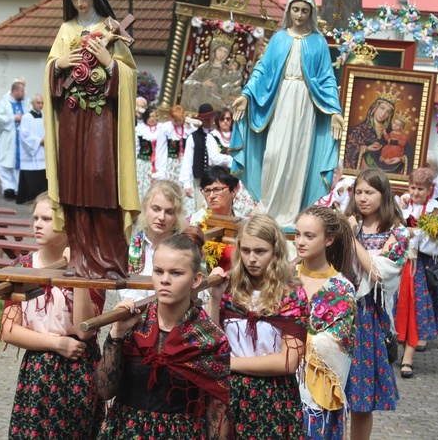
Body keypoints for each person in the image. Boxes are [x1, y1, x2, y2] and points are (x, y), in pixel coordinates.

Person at [42, 0, 139, 280]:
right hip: (71, 119)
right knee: (74, 187)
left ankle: (110, 261)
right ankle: (80, 259)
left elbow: (129, 74)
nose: (81, 3)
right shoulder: (65, 29)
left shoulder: (110, 28)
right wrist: (59, 65)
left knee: (101, 184)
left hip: (101, 120)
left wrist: (110, 65)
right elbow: (50, 71)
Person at [96, 227, 231, 439]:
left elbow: (217, 412)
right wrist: (117, 334)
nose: (164, 280)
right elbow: (105, 391)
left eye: (176, 273)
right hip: (124, 432)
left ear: (195, 280)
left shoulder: (209, 338)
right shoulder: (133, 324)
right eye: (158, 271)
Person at [230, 0, 344, 229]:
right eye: (296, 9)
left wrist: (334, 111)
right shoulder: (280, 39)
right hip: (280, 100)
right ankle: (269, 209)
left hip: (306, 105)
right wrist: (247, 95)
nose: (300, 15)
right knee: (274, 153)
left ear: (311, 12)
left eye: (305, 10)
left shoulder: (318, 42)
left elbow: (326, 78)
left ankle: (291, 214)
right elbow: (263, 69)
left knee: (297, 157)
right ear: (289, 10)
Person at [0, 193, 105, 438]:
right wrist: (56, 343)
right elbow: (9, 330)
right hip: (38, 367)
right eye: (36, 217)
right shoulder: (23, 267)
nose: (37, 224)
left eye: (47, 219)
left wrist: (77, 272)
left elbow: (84, 329)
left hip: (78, 368)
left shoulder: (92, 268)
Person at [207, 214, 309, 439]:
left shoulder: (291, 294)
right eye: (245, 251)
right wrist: (214, 299)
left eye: (260, 251)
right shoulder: (228, 287)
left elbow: (288, 361)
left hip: (272, 397)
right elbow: (212, 341)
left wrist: (229, 363)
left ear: (276, 252)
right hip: (227, 393)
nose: (251, 259)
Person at [343, 168, 409, 440]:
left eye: (369, 192)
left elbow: (378, 273)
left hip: (369, 317)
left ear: (384, 195)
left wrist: (352, 239)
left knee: (360, 400)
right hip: (340, 311)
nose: (362, 198)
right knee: (328, 392)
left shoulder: (397, 232)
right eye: (358, 192)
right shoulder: (347, 223)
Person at [294, 205, 357, 439]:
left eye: (309, 236)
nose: (300, 241)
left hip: (315, 390)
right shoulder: (284, 277)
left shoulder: (342, 288)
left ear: (329, 239)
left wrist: (293, 339)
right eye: (297, 234)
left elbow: (338, 344)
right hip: (278, 381)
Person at [394, 168, 438, 378]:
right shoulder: (403, 205)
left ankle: (408, 357)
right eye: (413, 187)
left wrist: (416, 234)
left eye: (420, 188)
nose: (415, 192)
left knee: (415, 311)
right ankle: (396, 344)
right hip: (399, 264)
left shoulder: (434, 211)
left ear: (429, 189)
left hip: (420, 268)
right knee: (398, 307)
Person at [120, 180, 187, 301]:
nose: (161, 217)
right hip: (137, 314)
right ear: (145, 207)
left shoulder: (185, 249)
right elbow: (126, 292)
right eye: (156, 209)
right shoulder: (130, 246)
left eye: (169, 212)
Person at [344, 86, 412, 174]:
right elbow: (350, 149)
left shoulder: (392, 131)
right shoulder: (360, 129)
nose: (383, 114)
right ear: (374, 108)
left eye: (388, 112)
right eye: (382, 108)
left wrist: (401, 158)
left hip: (389, 171)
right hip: (366, 172)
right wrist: (366, 148)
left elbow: (409, 152)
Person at [179, 104, 231, 212]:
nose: (208, 121)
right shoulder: (194, 137)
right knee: (201, 210)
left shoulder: (218, 135)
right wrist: (186, 183)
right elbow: (187, 161)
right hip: (200, 180)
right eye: (205, 119)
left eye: (210, 118)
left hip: (219, 180)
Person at [155, 104, 195, 212]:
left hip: (185, 163)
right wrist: (161, 169)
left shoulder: (188, 128)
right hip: (171, 165)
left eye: (180, 119)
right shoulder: (166, 129)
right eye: (176, 120)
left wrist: (190, 127)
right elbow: (161, 150)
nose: (178, 122)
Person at [189, 166, 255, 226]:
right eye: (207, 190)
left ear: (234, 191)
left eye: (217, 190)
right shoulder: (194, 223)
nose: (211, 196)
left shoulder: (244, 225)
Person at [0, 81, 27, 200]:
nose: (24, 93)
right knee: (6, 162)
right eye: (22, 90)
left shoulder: (24, 104)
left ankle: (17, 188)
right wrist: (13, 118)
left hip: (21, 138)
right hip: (8, 137)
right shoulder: (3, 103)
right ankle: (7, 187)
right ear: (15, 91)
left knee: (18, 164)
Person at [16, 94, 46, 204]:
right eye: (38, 103)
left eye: (42, 103)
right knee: (31, 178)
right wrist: (39, 141)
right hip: (31, 152)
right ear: (32, 103)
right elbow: (24, 135)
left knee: (42, 177)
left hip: (42, 152)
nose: (40, 105)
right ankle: (29, 198)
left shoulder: (45, 117)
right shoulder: (26, 117)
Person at [135, 106, 163, 200]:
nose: (152, 119)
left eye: (154, 116)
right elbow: (136, 148)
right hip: (141, 163)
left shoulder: (161, 130)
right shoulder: (140, 129)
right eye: (150, 116)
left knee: (150, 189)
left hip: (153, 164)